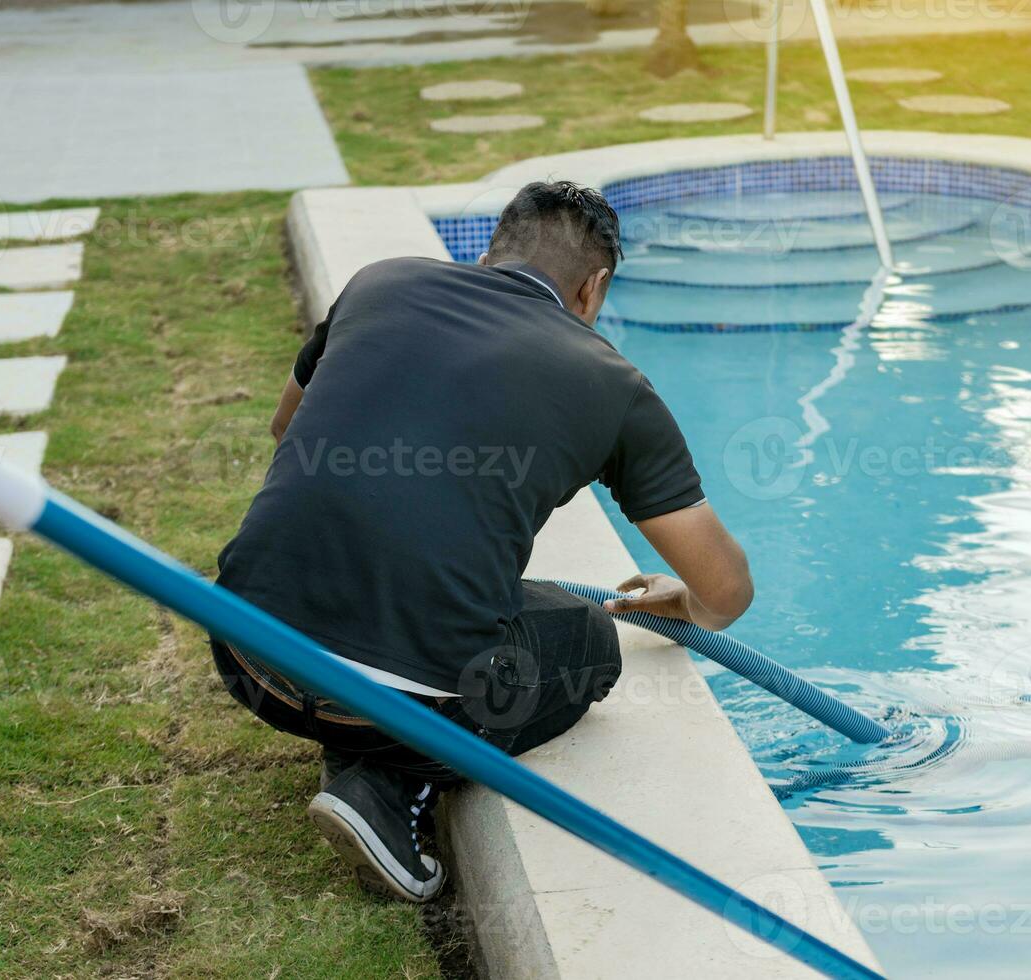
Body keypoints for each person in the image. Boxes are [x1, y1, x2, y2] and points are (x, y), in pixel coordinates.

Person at [209, 180, 753, 903]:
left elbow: (285, 430)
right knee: (585, 638)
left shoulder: (380, 282)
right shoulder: (609, 380)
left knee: (522, 603)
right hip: (401, 701)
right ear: (592, 288)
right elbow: (726, 594)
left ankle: (365, 727)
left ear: (492, 249)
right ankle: (387, 785)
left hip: (247, 652)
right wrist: (682, 602)